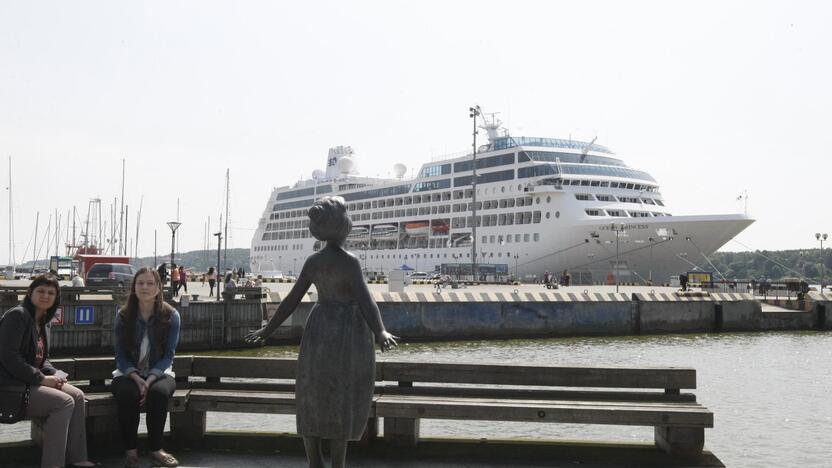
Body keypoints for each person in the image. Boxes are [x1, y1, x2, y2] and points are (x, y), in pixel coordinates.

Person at [246, 196, 397, 468]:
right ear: (343, 225)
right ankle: (337, 464)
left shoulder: (313, 261)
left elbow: (291, 299)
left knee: (310, 393)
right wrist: (381, 331)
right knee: (344, 396)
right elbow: (365, 300)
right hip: (348, 331)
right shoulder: (350, 262)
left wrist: (268, 330)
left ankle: (314, 462)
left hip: (319, 327)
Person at [0, 274, 98, 468]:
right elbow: (9, 357)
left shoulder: (43, 322)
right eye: (41, 291)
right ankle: (53, 464)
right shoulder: (17, 316)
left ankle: (78, 458)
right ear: (30, 293)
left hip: (28, 382)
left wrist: (54, 375)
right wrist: (42, 380)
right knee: (62, 402)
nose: (46, 296)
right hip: (9, 385)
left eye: (51, 292)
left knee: (77, 395)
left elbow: (42, 359)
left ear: (56, 297)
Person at [111, 267, 181, 468]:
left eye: (150, 283)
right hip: (127, 373)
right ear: (134, 287)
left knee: (158, 394)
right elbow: (120, 355)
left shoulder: (171, 315)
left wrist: (150, 378)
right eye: (140, 283)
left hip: (160, 373)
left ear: (159, 288)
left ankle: (156, 449)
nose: (145, 287)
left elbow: (169, 355)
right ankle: (130, 451)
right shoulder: (123, 316)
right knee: (128, 394)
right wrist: (135, 376)